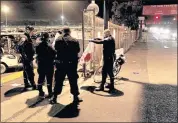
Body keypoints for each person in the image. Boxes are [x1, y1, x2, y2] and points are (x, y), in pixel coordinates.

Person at [50, 27, 81, 104]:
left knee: (58, 81)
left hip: (61, 64)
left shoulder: (58, 40)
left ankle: (54, 97)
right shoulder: (75, 40)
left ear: (63, 32)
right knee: (73, 81)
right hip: (71, 65)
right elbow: (78, 50)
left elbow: (56, 49)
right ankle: (75, 97)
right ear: (70, 32)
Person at [35, 32, 56, 98]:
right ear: (47, 38)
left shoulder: (38, 46)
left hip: (41, 65)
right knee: (49, 79)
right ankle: (50, 92)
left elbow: (37, 54)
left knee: (41, 78)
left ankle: (40, 92)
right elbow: (54, 54)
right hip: (49, 65)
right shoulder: (50, 46)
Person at [18, 26, 37, 91]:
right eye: (32, 31)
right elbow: (19, 45)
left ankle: (26, 84)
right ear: (28, 30)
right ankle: (33, 85)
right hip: (27, 59)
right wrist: (24, 55)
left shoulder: (27, 37)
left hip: (27, 58)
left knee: (25, 71)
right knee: (30, 72)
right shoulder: (24, 37)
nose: (33, 33)